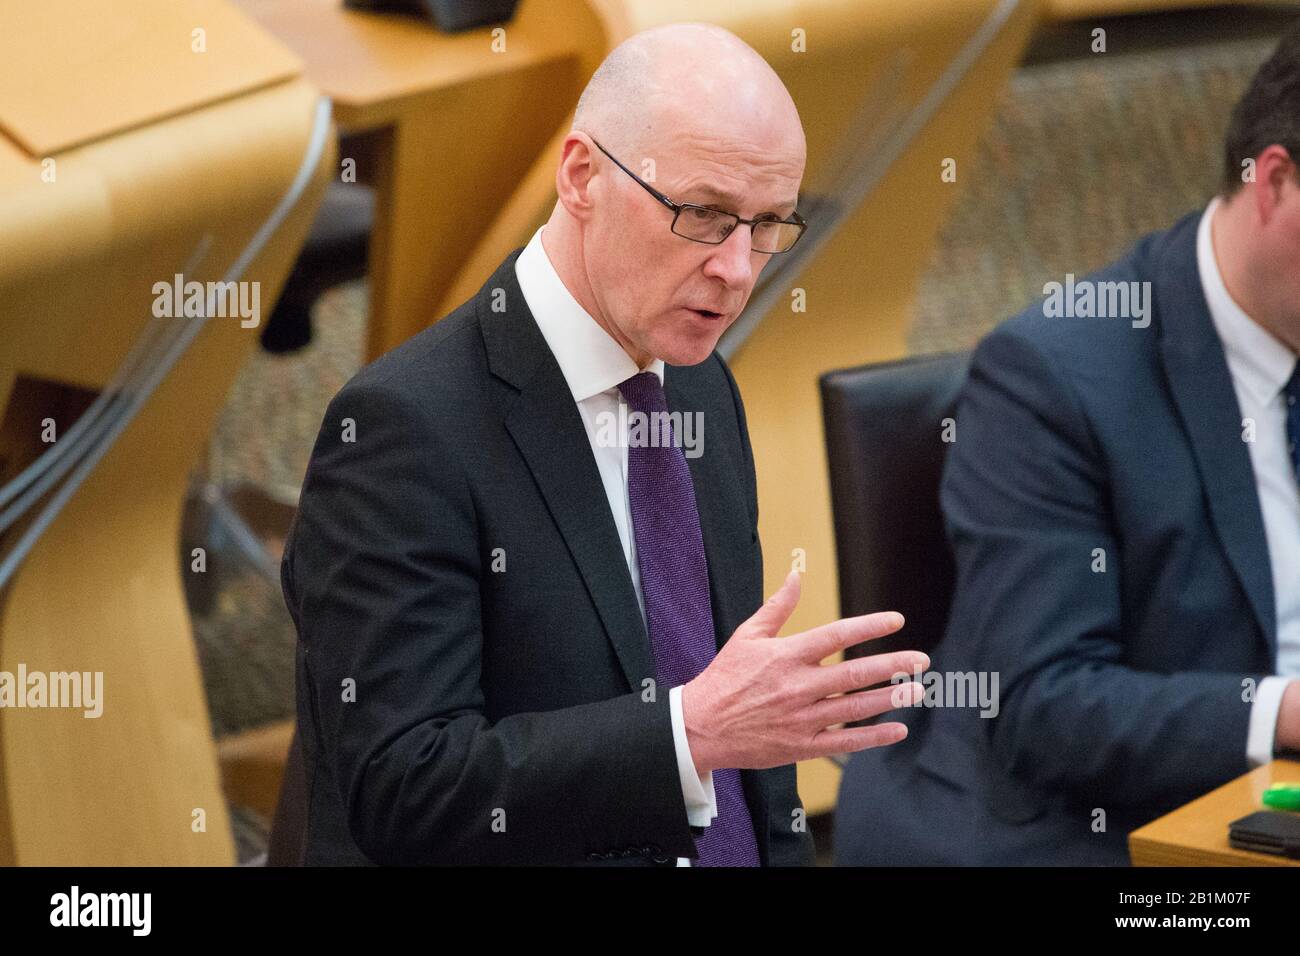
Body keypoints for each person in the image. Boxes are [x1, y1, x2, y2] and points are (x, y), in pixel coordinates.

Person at [281, 21, 928, 866]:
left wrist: (723, 743)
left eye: (768, 225)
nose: (737, 269)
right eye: (704, 214)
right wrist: (685, 735)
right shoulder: (403, 433)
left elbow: (751, 770)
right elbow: (405, 786)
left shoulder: (698, 383)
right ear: (582, 175)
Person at [835, 22, 1300, 866]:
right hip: (1092, 829)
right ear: (1274, 183)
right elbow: (1045, 707)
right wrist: (1285, 712)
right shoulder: (1049, 377)